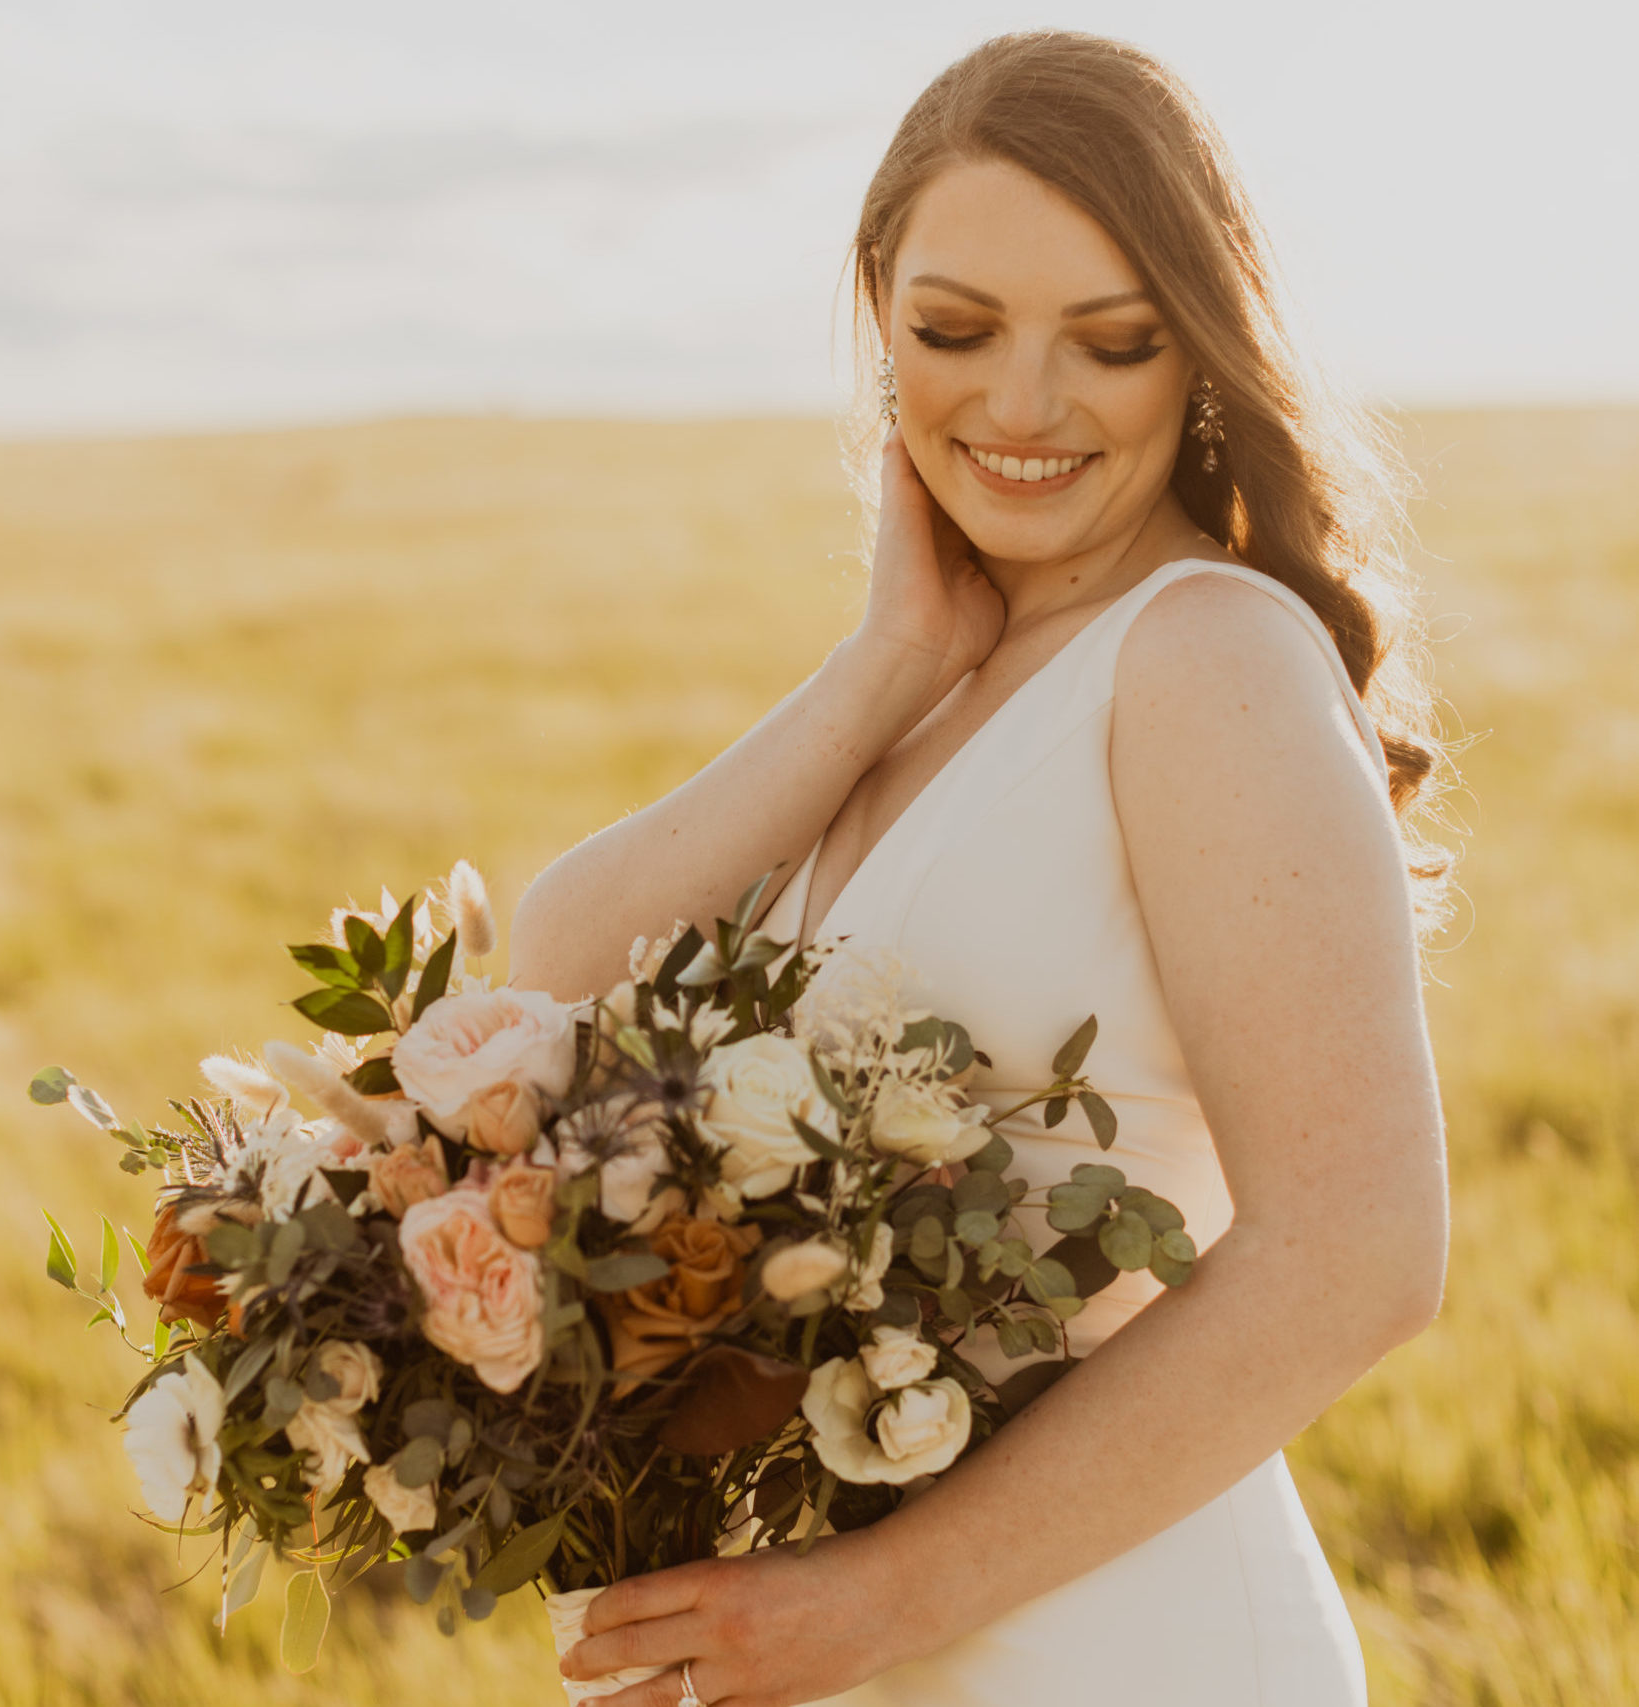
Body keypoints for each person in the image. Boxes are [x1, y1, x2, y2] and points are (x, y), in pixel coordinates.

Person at [509, 29, 1451, 1707]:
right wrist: (879, 664)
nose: (1022, 407)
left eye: (1110, 342)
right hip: (849, 1635)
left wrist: (875, 1601)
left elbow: (1362, 1248)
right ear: (880, 309)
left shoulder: (1206, 657)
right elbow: (555, 979)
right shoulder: (937, 671)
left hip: (1106, 1639)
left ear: (1200, 351)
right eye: (957, 331)